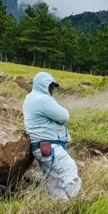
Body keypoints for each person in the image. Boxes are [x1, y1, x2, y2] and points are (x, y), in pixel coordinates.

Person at [23, 72, 81, 201]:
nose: (53, 89)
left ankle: (62, 207)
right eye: (51, 86)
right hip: (49, 145)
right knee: (69, 168)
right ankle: (77, 200)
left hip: (40, 146)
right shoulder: (42, 99)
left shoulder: (30, 98)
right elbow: (64, 116)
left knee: (54, 181)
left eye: (54, 86)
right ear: (44, 85)